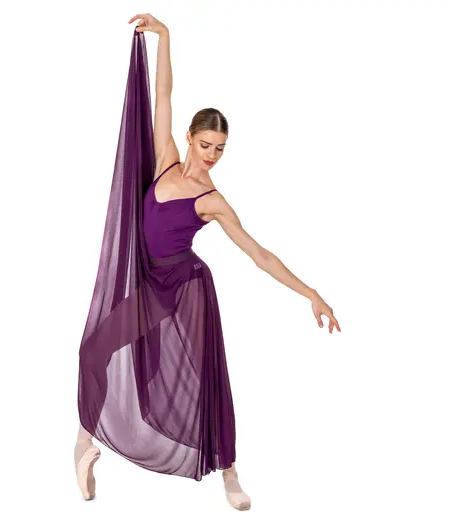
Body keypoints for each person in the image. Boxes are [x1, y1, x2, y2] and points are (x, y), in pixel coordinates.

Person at [74, 13, 341, 512]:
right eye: (206, 145)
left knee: (207, 381)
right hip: (149, 284)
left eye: (220, 149)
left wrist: (312, 294)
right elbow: (163, 97)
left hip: (185, 288)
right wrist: (165, 37)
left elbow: (260, 255)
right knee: (94, 352)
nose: (213, 155)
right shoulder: (164, 160)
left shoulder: (212, 200)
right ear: (191, 137)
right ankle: (85, 441)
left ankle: (230, 472)